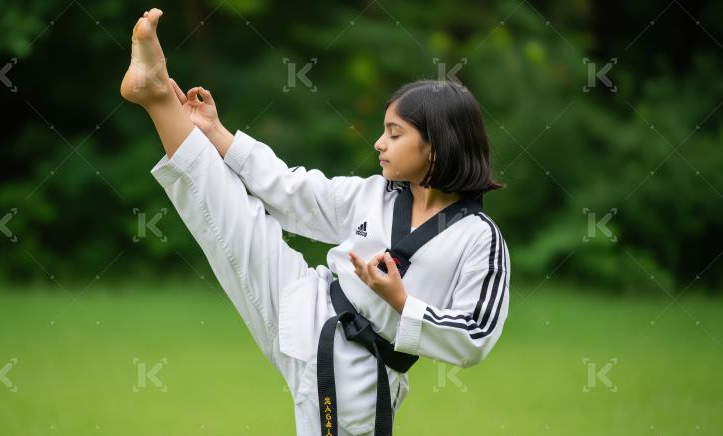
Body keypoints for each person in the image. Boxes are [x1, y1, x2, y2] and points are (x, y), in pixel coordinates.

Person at [121, 8, 510, 436]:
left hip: (364, 371)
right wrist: (217, 134)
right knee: (230, 216)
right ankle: (157, 94)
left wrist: (401, 302)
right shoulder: (375, 194)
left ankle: (156, 94)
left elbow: (477, 335)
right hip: (309, 307)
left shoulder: (479, 239)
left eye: (395, 134)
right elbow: (291, 191)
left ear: (436, 146)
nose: (379, 143)